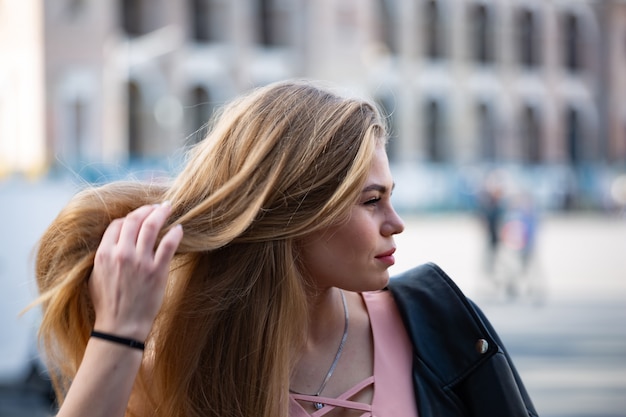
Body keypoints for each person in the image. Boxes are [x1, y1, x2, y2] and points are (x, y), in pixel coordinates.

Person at [33, 80, 538, 417]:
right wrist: (118, 335)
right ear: (293, 211)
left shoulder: (438, 323)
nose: (396, 224)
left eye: (390, 198)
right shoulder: (178, 357)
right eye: (371, 201)